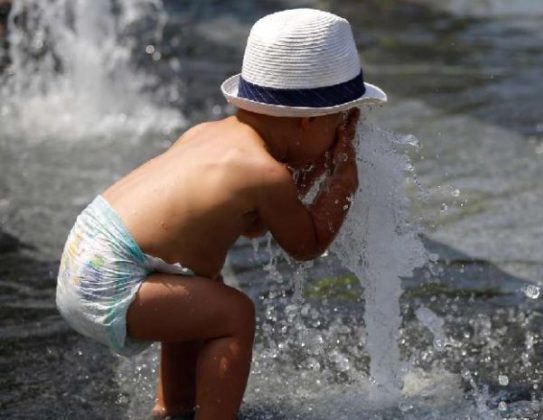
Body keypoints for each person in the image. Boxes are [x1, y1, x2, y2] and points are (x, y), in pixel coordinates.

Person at [55, 8, 386, 420]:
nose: (342, 137)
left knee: (202, 290)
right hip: (108, 280)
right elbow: (307, 244)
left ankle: (174, 409)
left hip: (86, 252)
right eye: (339, 125)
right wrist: (342, 181)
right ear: (307, 122)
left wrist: (315, 169)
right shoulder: (264, 173)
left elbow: (254, 224)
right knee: (233, 314)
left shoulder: (210, 135)